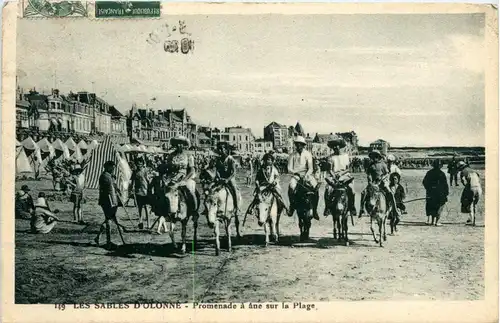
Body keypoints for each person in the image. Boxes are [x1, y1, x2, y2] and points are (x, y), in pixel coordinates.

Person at [164, 135, 198, 216]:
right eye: (177, 143)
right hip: (171, 178)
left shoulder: (189, 156)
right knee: (163, 191)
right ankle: (163, 210)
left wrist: (184, 180)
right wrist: (166, 177)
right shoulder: (170, 155)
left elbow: (192, 170)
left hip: (184, 177)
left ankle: (193, 209)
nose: (179, 145)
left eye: (181, 143)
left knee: (190, 190)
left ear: (184, 144)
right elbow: (168, 168)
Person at [287, 136, 320, 220]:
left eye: (300, 144)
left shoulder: (308, 154)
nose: (298, 146)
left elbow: (310, 168)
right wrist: (296, 173)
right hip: (296, 175)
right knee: (291, 186)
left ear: (303, 145)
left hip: (307, 175)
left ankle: (315, 209)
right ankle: (292, 206)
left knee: (315, 187)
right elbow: (289, 168)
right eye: (297, 144)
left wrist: (306, 175)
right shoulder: (292, 155)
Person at [245, 151, 287, 217]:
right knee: (257, 195)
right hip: (263, 185)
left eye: (269, 160)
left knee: (279, 194)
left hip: (273, 185)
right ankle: (252, 207)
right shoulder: (261, 169)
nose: (268, 161)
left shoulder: (274, 169)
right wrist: (257, 183)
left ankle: (285, 206)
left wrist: (275, 181)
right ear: (264, 161)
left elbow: (277, 177)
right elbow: (257, 179)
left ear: (272, 161)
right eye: (266, 160)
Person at [359, 150, 399, 218]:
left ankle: (395, 210)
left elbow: (387, 173)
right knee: (364, 193)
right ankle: (361, 209)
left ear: (378, 156)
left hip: (382, 183)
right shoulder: (371, 165)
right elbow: (368, 174)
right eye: (372, 157)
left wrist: (382, 178)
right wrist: (370, 181)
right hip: (373, 183)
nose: (374, 158)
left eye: (375, 156)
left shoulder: (383, 164)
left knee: (390, 193)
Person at [323, 138, 357, 216]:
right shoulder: (331, 157)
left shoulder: (346, 156)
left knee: (351, 189)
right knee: (328, 189)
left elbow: (348, 169)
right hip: (334, 175)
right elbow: (330, 169)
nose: (336, 148)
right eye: (334, 146)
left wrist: (341, 173)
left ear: (340, 147)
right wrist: (334, 176)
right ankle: (327, 207)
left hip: (345, 175)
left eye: (337, 146)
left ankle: (352, 207)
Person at [95, 160, 122, 248]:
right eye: (112, 167)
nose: (113, 169)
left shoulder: (110, 176)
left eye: (114, 167)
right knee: (108, 220)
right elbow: (108, 188)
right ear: (107, 167)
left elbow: (115, 188)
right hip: (107, 201)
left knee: (108, 219)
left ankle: (98, 237)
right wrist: (113, 180)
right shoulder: (104, 176)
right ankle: (108, 241)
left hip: (113, 200)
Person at [214, 142, 240, 216]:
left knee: (234, 188)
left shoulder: (230, 158)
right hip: (221, 178)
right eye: (219, 149)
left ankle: (236, 207)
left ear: (225, 150)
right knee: (211, 188)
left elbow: (234, 172)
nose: (220, 151)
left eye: (222, 149)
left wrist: (228, 179)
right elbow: (217, 170)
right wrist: (218, 177)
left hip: (229, 178)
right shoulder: (218, 159)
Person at [422, 159, 449, 226]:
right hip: (440, 193)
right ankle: (437, 221)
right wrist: (446, 192)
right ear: (440, 166)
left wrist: (428, 189)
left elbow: (424, 182)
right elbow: (445, 184)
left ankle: (431, 221)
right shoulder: (441, 173)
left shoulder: (429, 172)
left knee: (431, 205)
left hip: (430, 192)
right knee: (439, 206)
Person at [130, 158, 151, 229]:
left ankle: (148, 224)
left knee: (146, 208)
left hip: (145, 191)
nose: (139, 165)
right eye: (138, 164)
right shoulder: (134, 172)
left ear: (142, 164)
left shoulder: (145, 170)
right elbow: (132, 181)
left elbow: (148, 180)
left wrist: (150, 189)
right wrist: (131, 189)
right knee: (139, 208)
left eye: (140, 164)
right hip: (138, 192)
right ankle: (140, 222)